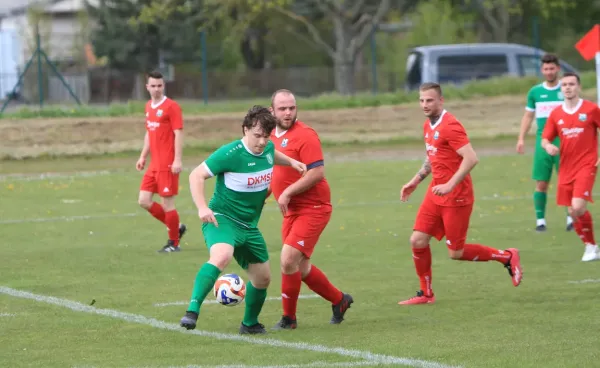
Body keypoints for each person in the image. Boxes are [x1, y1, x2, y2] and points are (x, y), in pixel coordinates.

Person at [179, 105, 307, 334]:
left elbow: (272, 153)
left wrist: (291, 162)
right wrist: (201, 208)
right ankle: (192, 311)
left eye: (266, 137)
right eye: (257, 135)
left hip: (249, 226)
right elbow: (196, 174)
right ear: (245, 129)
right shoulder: (230, 153)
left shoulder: (267, 147)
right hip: (222, 219)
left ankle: (249, 324)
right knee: (222, 255)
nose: (261, 141)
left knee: (263, 279)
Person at [398, 83, 523, 305]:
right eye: (421, 100)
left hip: (457, 196)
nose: (425, 105)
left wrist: (450, 184)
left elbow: (471, 158)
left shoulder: (450, 125)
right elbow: (432, 157)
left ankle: (507, 256)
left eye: (429, 100)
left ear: (441, 101)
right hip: (435, 192)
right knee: (417, 240)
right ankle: (426, 294)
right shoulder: (428, 125)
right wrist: (415, 181)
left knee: (456, 253)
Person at [268, 89, 353, 330]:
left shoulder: (305, 135)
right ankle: (340, 300)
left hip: (313, 207)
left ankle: (289, 320)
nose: (288, 112)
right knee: (300, 267)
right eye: (282, 108)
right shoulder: (270, 136)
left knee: (287, 260)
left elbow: (317, 172)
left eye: (292, 108)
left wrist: (286, 192)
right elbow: (274, 174)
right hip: (292, 210)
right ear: (272, 111)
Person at [541, 72, 600, 262]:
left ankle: (591, 247)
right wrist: (549, 146)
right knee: (573, 212)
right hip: (566, 167)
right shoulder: (556, 113)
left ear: (579, 87)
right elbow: (545, 138)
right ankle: (591, 246)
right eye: (564, 84)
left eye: (571, 84)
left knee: (578, 206)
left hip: (587, 164)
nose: (567, 87)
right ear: (561, 89)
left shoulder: (591, 109)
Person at [516, 53, 573, 232]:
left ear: (558, 69)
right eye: (546, 69)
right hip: (544, 142)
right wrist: (521, 138)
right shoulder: (535, 92)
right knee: (541, 182)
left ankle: (571, 218)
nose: (549, 72)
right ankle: (540, 221)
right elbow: (528, 115)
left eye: (552, 68)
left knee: (566, 181)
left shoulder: (566, 89)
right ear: (542, 70)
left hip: (565, 141)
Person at [136, 70, 187, 253]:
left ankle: (174, 243)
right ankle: (176, 227)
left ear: (163, 86)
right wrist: (143, 156)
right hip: (154, 164)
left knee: (168, 205)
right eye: (153, 86)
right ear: (147, 87)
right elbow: (149, 133)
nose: (156, 89)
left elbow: (178, 133)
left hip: (167, 164)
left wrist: (177, 159)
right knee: (143, 200)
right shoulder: (149, 106)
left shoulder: (172, 107)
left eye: (159, 85)